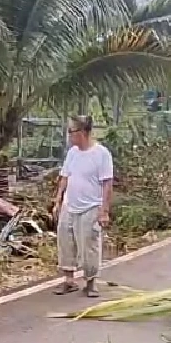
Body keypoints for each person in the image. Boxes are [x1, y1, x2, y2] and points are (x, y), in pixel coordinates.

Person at [52, 115, 113, 298]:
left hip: (90, 206)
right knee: (65, 242)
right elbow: (65, 177)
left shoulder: (101, 154)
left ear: (83, 132)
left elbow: (107, 184)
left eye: (72, 131)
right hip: (70, 204)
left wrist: (104, 211)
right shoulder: (72, 153)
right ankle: (69, 280)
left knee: (89, 245)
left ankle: (91, 281)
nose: (69, 135)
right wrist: (58, 200)